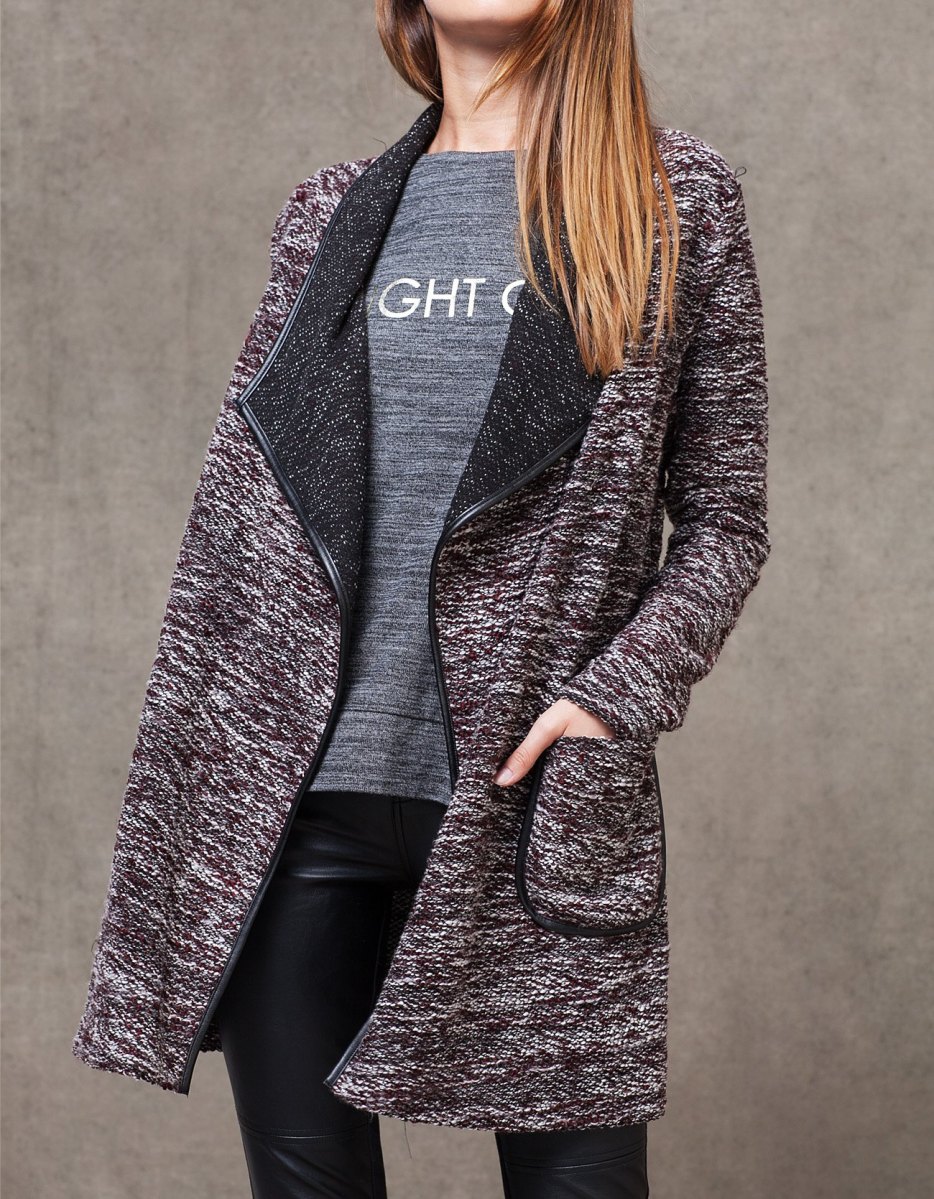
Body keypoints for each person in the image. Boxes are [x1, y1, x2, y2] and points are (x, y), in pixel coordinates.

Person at [73, 1, 771, 1195]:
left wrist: (612, 696)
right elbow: (249, 510)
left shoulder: (671, 200)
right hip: (298, 801)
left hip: (531, 800)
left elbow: (724, 519)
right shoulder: (328, 212)